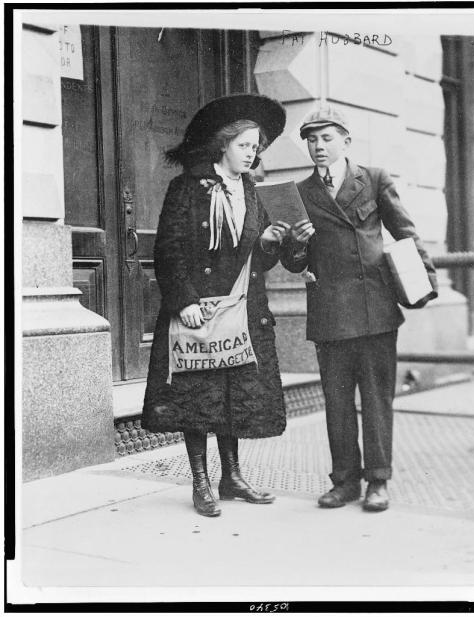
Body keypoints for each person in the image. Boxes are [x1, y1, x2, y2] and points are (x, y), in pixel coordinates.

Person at [281, 104, 438, 512]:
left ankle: (378, 482)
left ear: (346, 141)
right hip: (330, 311)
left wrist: (427, 281)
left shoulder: (374, 179)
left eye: (326, 138)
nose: (318, 146)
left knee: (375, 399)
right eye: (311, 139)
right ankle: (345, 481)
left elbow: (405, 231)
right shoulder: (299, 193)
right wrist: (296, 242)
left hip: (374, 307)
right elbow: (294, 262)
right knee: (336, 402)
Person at [142, 94, 288, 517]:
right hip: (198, 311)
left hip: (240, 310)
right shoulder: (187, 188)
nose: (252, 153)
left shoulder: (253, 192)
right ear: (224, 144)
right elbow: (168, 251)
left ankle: (232, 477)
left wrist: (271, 244)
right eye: (245, 145)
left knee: (232, 396)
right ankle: (201, 482)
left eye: (256, 146)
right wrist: (183, 301)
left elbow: (255, 259)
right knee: (197, 397)